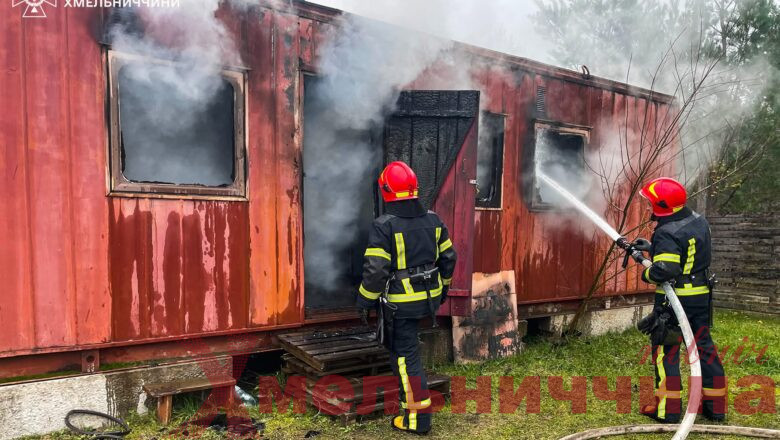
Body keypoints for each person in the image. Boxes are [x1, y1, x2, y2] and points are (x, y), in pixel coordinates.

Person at [356, 161, 457, 434]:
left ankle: (417, 418)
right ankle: (414, 409)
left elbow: (376, 271)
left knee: (405, 357)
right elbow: (449, 258)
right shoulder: (434, 220)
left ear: (386, 191)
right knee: (404, 352)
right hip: (428, 299)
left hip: (401, 304)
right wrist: (444, 288)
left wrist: (365, 301)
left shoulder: (383, 226)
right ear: (414, 189)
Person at [635, 177, 726, 423]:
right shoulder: (698, 220)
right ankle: (715, 407)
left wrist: (645, 269)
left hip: (674, 304)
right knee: (705, 349)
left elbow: (665, 270)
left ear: (662, 205)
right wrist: (652, 248)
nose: (648, 206)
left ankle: (668, 410)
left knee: (667, 352)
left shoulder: (666, 231)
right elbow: (687, 251)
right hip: (700, 297)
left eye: (651, 202)